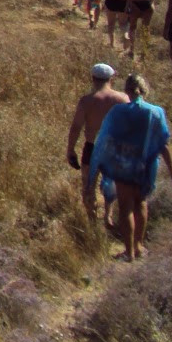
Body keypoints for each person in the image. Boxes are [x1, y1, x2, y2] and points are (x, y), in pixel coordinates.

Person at [92, 73, 172, 261]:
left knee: (125, 207)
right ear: (144, 90)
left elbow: (106, 139)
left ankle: (129, 252)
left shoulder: (118, 112)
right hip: (145, 166)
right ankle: (139, 246)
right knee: (141, 202)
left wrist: (100, 165)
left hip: (123, 164)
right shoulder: (155, 112)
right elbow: (162, 144)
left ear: (126, 90)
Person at [66, 62, 128, 222]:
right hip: (115, 147)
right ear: (111, 78)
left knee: (88, 185)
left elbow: (76, 127)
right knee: (112, 182)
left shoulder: (86, 101)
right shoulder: (122, 98)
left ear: (93, 78)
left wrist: (70, 149)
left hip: (92, 147)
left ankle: (92, 218)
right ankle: (108, 215)